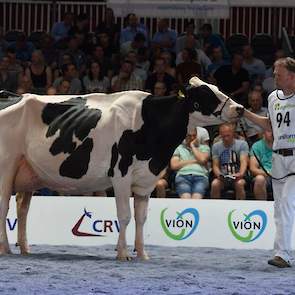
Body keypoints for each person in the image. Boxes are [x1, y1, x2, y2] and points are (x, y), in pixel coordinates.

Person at [241, 57, 295, 268]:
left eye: (278, 74)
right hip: (278, 156)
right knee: (280, 206)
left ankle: (283, 254)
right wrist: (245, 113)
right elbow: (269, 124)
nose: (273, 77)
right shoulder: (273, 97)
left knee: (287, 204)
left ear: (291, 76)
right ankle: (281, 252)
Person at [211, 123, 249, 200]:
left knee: (239, 184)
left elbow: (243, 161)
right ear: (220, 135)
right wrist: (219, 175)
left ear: (233, 134)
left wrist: (241, 173)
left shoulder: (242, 144)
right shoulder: (216, 146)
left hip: (238, 176)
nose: (226, 138)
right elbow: (215, 165)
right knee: (215, 184)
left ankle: (240, 207)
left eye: (228, 135)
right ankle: (215, 208)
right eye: (223, 136)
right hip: (223, 176)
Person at [170, 128, 210, 199]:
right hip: (183, 176)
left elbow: (202, 160)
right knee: (186, 198)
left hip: (200, 176)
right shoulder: (178, 148)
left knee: (196, 198)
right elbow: (174, 165)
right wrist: (194, 161)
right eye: (189, 136)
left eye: (194, 136)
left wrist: (192, 146)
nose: (192, 138)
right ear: (185, 137)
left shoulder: (204, 148)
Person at [249, 130, 273, 200]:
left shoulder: (282, 144)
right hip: (266, 175)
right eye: (269, 131)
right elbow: (253, 168)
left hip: (282, 175)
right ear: (263, 132)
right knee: (259, 179)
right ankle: (262, 208)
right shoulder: (257, 146)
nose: (272, 134)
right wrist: (269, 173)